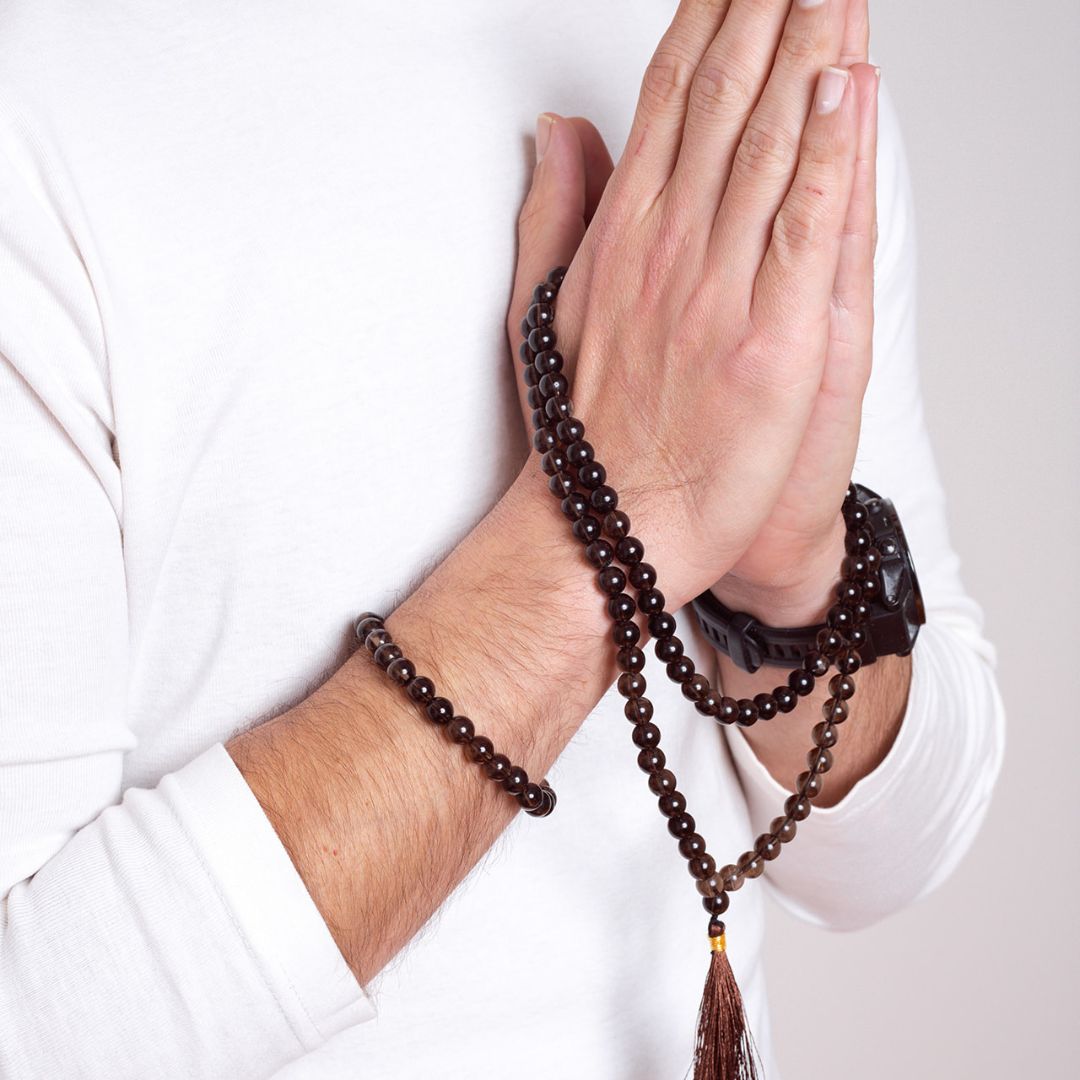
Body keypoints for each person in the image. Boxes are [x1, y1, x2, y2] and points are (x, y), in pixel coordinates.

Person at [0, 1, 1004, 1077]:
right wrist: (617, 520)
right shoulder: (44, 84)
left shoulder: (746, 69)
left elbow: (887, 856)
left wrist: (792, 580)